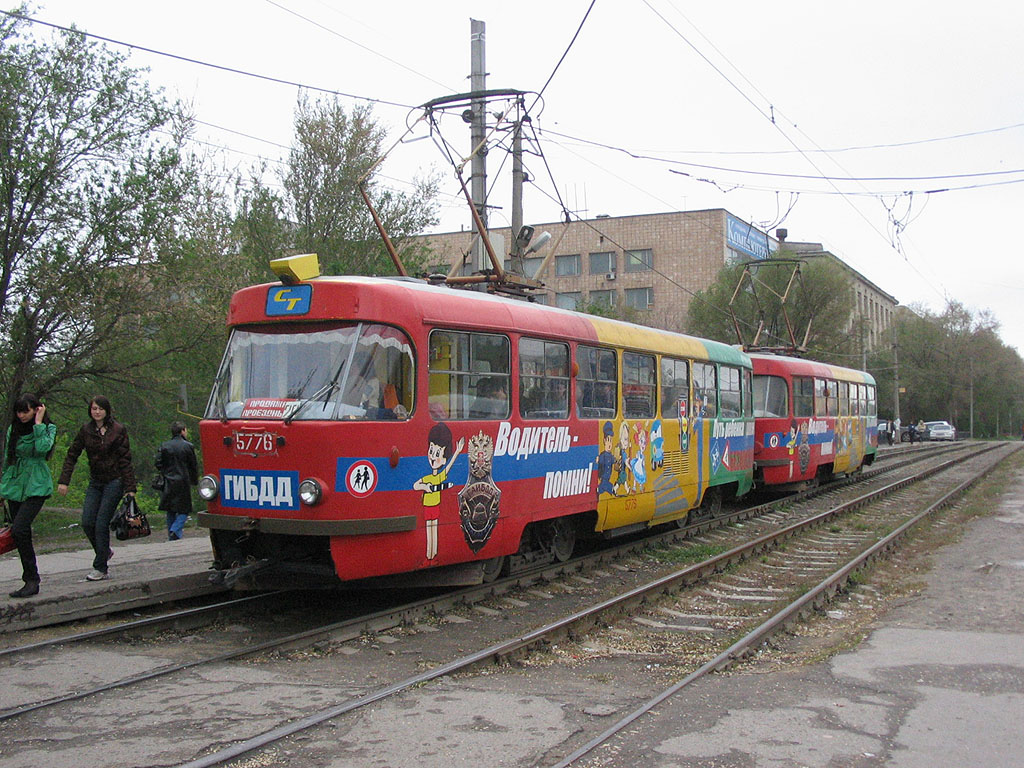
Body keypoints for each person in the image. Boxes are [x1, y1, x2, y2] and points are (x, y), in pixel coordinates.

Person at [57, 396, 136, 581]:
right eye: (94, 409)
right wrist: (64, 480)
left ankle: (100, 568)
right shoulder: (86, 430)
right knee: (87, 522)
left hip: (114, 481)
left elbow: (125, 460)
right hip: (96, 481)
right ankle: (104, 551)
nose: (97, 412)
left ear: (107, 410)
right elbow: (72, 454)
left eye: (100, 409)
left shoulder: (118, 430)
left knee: (101, 523)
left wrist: (130, 488)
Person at [1, 394, 56, 598]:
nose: (22, 415)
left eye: (26, 411)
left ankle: (32, 579)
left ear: (36, 409)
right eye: (19, 411)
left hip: (37, 485)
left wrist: (39, 423)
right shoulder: (13, 429)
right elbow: (9, 458)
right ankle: (29, 578)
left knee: (21, 528)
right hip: (16, 484)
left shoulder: (48, 428)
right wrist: (3, 490)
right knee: (18, 533)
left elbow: (42, 449)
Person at [155, 421, 198, 541]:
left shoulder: (164, 445)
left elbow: (158, 463)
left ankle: (172, 535)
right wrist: (194, 480)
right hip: (183, 480)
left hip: (168, 480)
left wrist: (165, 471)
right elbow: (193, 465)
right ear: (182, 431)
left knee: (170, 509)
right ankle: (175, 530)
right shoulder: (188, 446)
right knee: (184, 509)